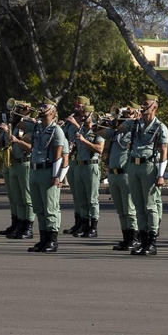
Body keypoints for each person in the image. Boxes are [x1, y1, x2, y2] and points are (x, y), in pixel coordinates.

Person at [125, 96, 168, 256]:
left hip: (149, 166)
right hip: (133, 165)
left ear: (154, 107)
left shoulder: (160, 127)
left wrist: (161, 174)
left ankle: (152, 241)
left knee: (150, 206)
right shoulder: (135, 124)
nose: (142, 106)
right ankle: (143, 240)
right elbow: (115, 127)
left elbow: (164, 151)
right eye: (142, 103)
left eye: (146, 104)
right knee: (138, 205)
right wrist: (126, 113)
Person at [26, 98, 68, 253]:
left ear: (53, 111)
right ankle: (43, 239)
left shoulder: (56, 130)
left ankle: (52, 240)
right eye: (41, 106)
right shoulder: (37, 128)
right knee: (38, 207)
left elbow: (59, 155)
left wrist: (57, 176)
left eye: (45, 107)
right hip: (35, 170)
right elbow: (19, 123)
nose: (42, 109)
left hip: (48, 170)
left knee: (50, 208)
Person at [65, 97, 104, 239]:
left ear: (91, 115)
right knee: (81, 198)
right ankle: (84, 224)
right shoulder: (79, 130)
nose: (82, 118)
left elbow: (99, 149)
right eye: (81, 116)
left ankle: (93, 227)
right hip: (79, 165)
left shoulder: (97, 130)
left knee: (92, 199)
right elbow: (76, 147)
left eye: (84, 115)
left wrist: (83, 140)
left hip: (91, 166)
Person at [0, 101, 35, 239]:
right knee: (17, 198)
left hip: (25, 163)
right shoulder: (14, 126)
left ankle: (28, 226)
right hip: (13, 163)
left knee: (27, 198)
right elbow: (0, 144)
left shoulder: (31, 126)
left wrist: (16, 140)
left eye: (19, 109)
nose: (14, 112)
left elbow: (32, 147)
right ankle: (19, 224)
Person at [106, 105, 138, 251]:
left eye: (128, 114)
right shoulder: (116, 132)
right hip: (113, 174)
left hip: (125, 173)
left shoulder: (135, 132)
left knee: (129, 209)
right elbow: (99, 130)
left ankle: (134, 238)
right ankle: (125, 238)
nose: (124, 117)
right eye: (123, 114)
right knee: (120, 210)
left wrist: (135, 119)